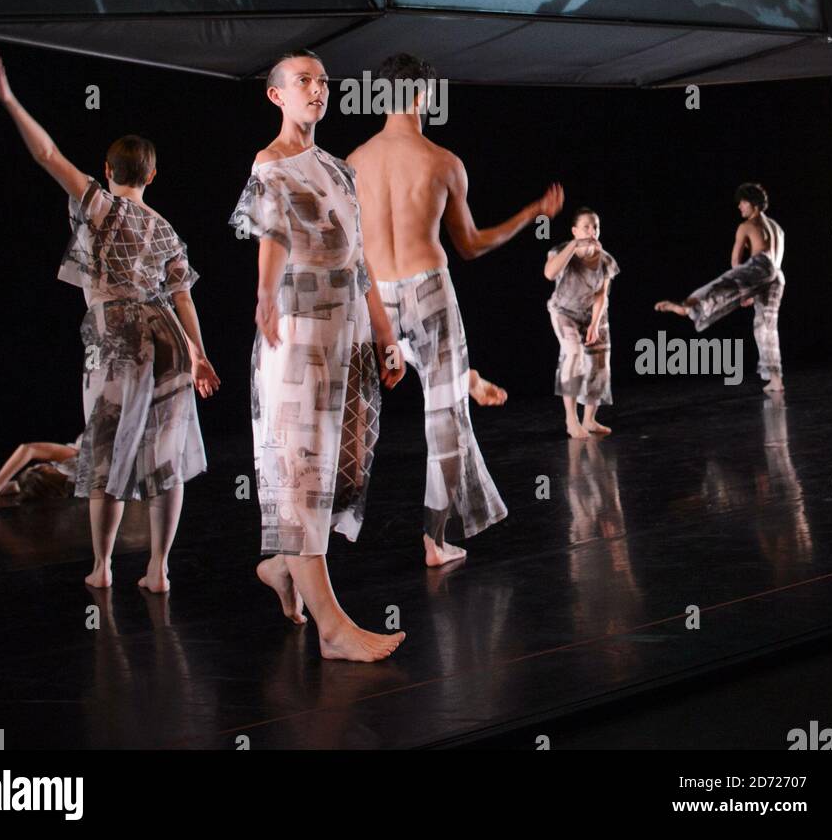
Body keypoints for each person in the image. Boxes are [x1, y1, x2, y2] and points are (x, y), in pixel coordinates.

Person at [0, 52, 219, 592]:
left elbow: (46, 153)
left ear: (109, 171)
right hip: (170, 338)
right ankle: (158, 568)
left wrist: (9, 99)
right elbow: (183, 300)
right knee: (166, 457)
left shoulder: (98, 202)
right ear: (152, 175)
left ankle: (103, 566)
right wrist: (200, 355)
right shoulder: (167, 231)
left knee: (106, 451)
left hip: (117, 331)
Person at [347, 52, 565, 567]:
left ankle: (314, 544)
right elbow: (470, 244)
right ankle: (434, 540)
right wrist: (531, 212)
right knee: (443, 415)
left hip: (377, 293)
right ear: (424, 96)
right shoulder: (443, 162)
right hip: (429, 287)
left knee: (356, 413)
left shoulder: (353, 162)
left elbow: (351, 251)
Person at [230, 50, 406, 662]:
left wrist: (386, 334)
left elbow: (361, 262)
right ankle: (332, 628)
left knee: (345, 467)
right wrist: (264, 298)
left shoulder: (339, 168)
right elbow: (273, 233)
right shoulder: (271, 162)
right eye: (303, 80)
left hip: (348, 332)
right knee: (303, 471)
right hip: (299, 333)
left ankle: (281, 565)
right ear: (276, 95)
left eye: (323, 81)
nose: (318, 89)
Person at [655, 182, 785, 392]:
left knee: (719, 285)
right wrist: (749, 290)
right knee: (766, 327)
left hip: (760, 267)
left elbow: (735, 263)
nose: (739, 207)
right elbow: (773, 269)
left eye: (742, 202)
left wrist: (741, 288)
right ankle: (776, 380)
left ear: (752, 203)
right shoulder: (777, 228)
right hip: (776, 276)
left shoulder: (746, 226)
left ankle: (688, 306)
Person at [544, 208, 619, 439]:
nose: (592, 231)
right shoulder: (560, 251)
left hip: (592, 315)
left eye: (595, 226)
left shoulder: (606, 259)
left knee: (599, 364)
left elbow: (601, 295)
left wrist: (595, 324)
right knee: (574, 354)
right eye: (586, 226)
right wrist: (573, 246)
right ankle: (571, 420)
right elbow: (549, 273)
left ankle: (589, 419)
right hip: (564, 313)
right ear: (575, 230)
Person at [0, 437, 82, 511]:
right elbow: (28, 449)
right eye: (35, 466)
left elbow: (14, 486)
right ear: (43, 469)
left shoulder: (73, 486)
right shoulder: (70, 463)